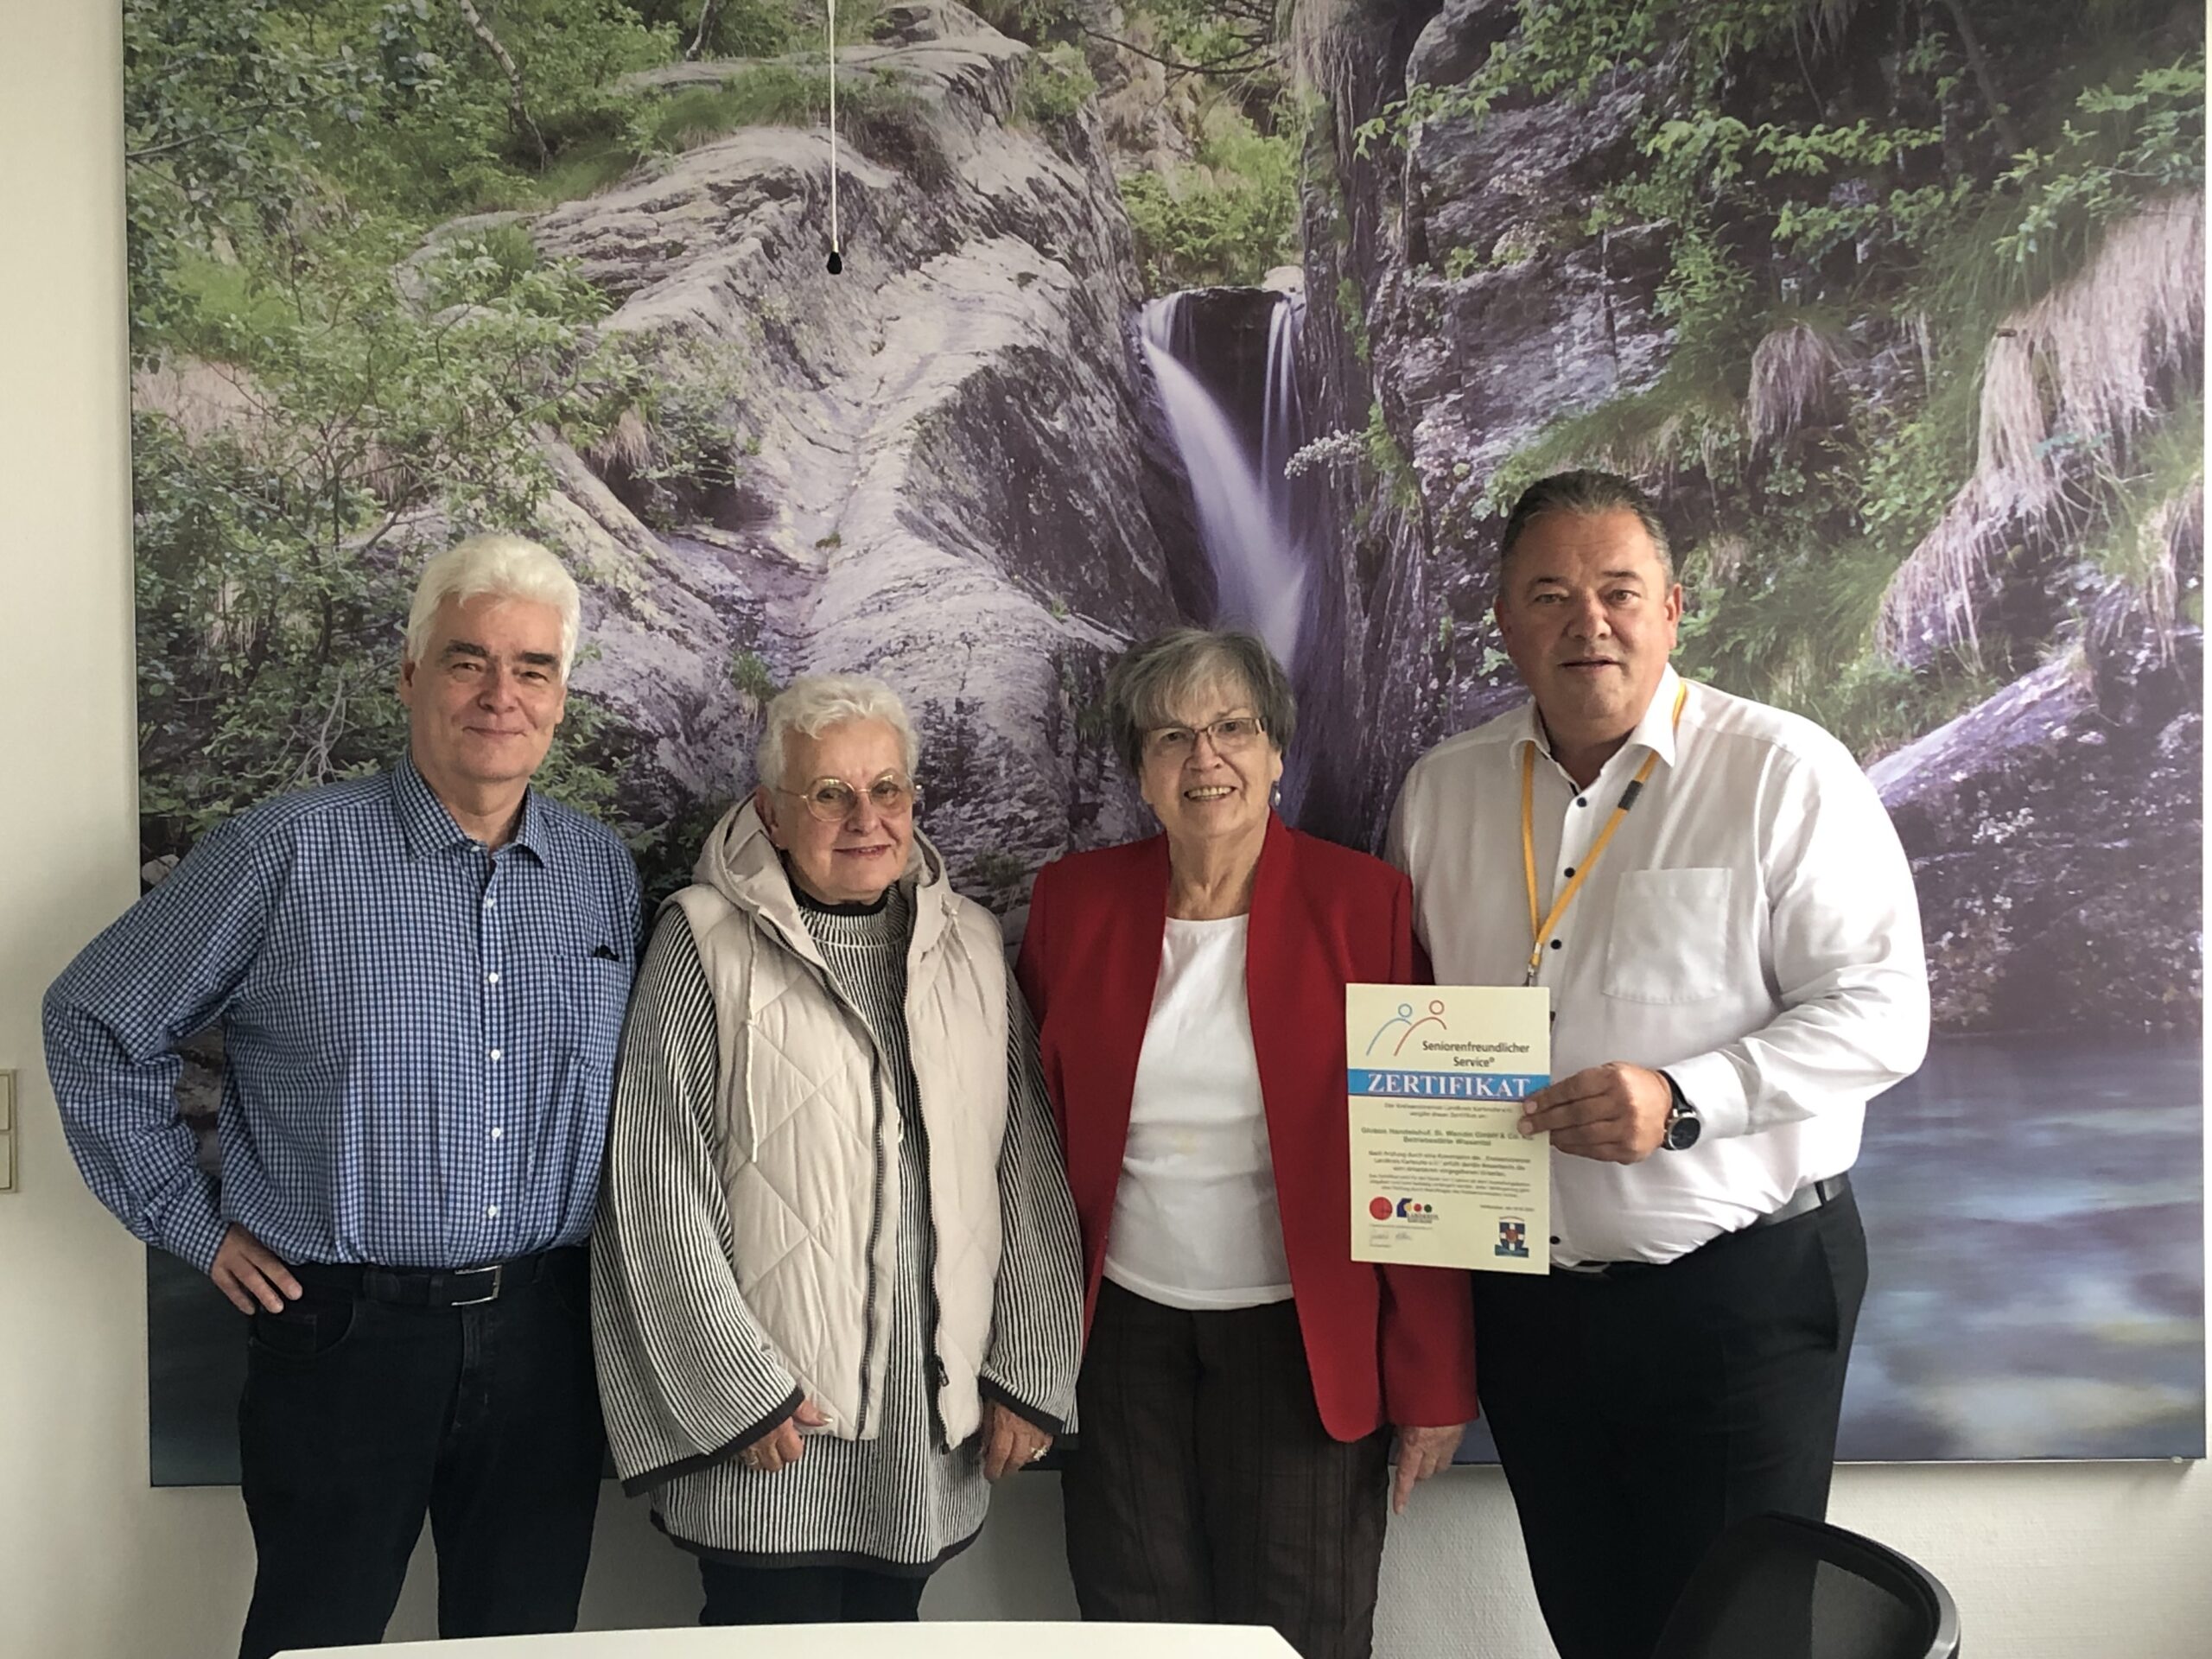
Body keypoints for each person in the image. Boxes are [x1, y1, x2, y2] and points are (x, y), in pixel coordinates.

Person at [45, 534, 642, 1659]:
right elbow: (93, 1019)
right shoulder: (284, 851)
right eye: (468, 660)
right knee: (315, 1641)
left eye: (533, 668)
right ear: (411, 677)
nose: (501, 694)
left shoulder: (600, 872)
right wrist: (190, 1223)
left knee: (525, 1643)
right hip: (343, 1336)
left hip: (547, 1334)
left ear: (561, 695)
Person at [1388, 470, 1930, 1659]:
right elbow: (1412, 1034)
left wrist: (1686, 1100)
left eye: (1618, 591)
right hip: (1531, 1310)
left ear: (1673, 609)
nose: (1588, 622)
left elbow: (1885, 1012)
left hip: (1739, 1298)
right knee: (1592, 1629)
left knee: (1736, 1643)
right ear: (1505, 621)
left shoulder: (1781, 773)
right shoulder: (1440, 794)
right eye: (1549, 595)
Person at [1018, 628, 1479, 1659]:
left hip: (1300, 1340)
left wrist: (1434, 1382)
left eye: (1233, 728)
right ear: (1140, 768)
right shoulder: (1071, 903)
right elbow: (1028, 1136)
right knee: (1133, 1628)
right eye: (1171, 736)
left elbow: (1426, 1150)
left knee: (1300, 1626)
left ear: (1276, 752)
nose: (1205, 758)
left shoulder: (1363, 904)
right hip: (1119, 1336)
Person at [591, 673, 1083, 1625]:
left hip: (923, 1434)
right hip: (775, 1434)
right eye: (830, 794)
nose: (867, 817)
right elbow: (654, 1188)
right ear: (773, 815)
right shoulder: (702, 942)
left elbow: (1025, 1168)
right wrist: (738, 1390)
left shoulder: (973, 947)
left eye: (887, 788)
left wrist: (1030, 1368)